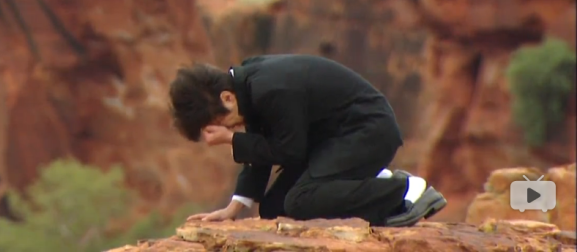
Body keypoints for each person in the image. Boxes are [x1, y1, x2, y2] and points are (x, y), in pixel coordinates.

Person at [168, 55, 446, 227]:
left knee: (301, 201)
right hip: (333, 142)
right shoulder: (248, 86)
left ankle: (405, 189)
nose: (224, 130)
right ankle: (365, 182)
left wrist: (232, 139)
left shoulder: (271, 89)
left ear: (226, 99)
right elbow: (262, 148)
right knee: (274, 209)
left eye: (217, 124)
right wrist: (234, 208)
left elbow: (288, 151)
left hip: (367, 132)